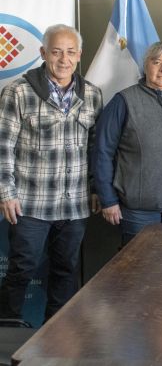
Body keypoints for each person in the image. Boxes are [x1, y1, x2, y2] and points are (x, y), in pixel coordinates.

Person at [0, 24, 103, 320]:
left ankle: (56, 335)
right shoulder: (18, 92)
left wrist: (95, 189)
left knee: (66, 271)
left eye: (70, 52)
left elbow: (96, 148)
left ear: (79, 55)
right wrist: (6, 193)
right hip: (30, 204)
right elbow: (3, 145)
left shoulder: (92, 94)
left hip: (75, 205)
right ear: (43, 53)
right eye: (56, 52)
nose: (64, 59)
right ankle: (6, 329)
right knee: (22, 268)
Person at [94, 41, 162, 246]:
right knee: (140, 264)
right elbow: (102, 151)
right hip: (139, 210)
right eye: (157, 62)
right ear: (146, 66)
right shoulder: (124, 101)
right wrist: (108, 199)